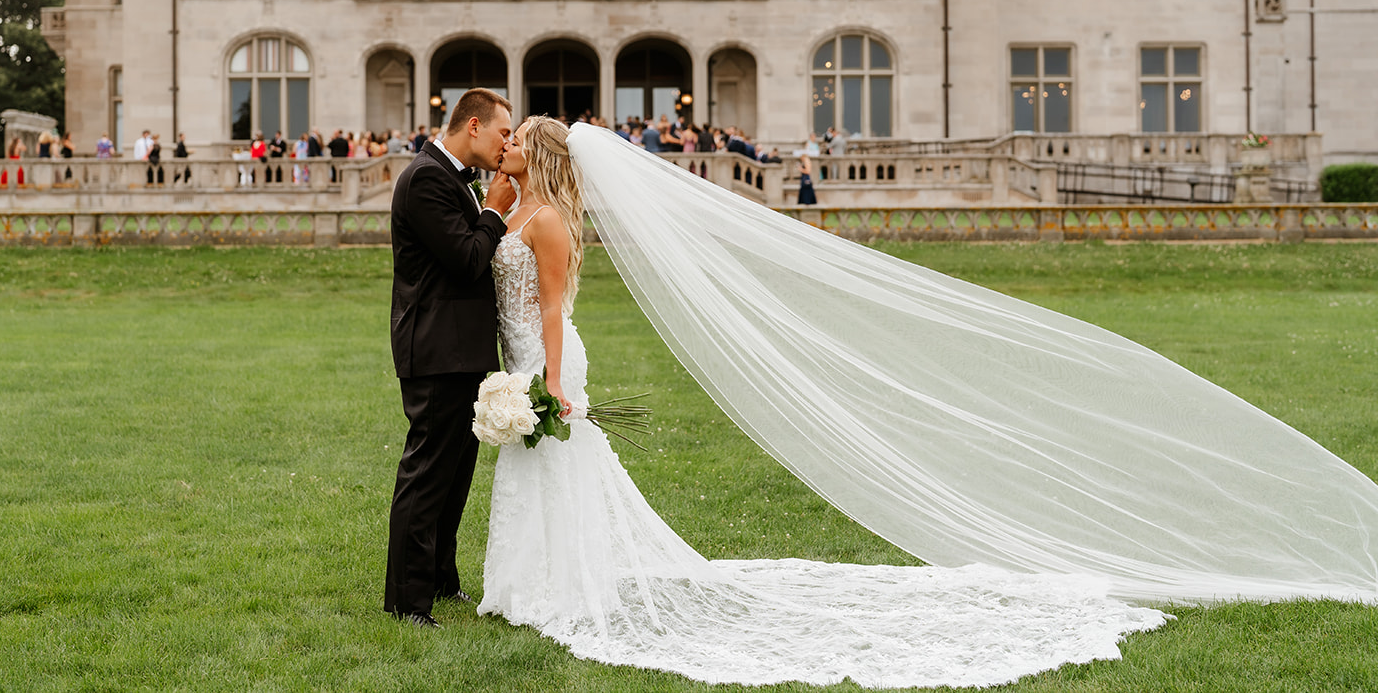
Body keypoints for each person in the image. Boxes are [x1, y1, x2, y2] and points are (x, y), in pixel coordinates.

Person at [474, 120, 1169, 687]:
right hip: (520, 356)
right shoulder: (519, 205)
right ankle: (533, 580)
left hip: (546, 359)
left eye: (513, 139)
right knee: (539, 471)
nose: (502, 144)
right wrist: (495, 202)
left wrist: (556, 382)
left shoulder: (553, 221)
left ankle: (556, 585)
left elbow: (556, 311)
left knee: (559, 467)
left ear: (535, 151)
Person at [385, 88, 517, 629]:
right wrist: (494, 211)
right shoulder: (425, 179)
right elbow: (466, 259)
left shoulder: (448, 177)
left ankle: (441, 580)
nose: (508, 142)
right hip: (435, 349)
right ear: (473, 126)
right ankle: (406, 601)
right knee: (428, 474)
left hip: (461, 349)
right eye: (504, 131)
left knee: (456, 474)